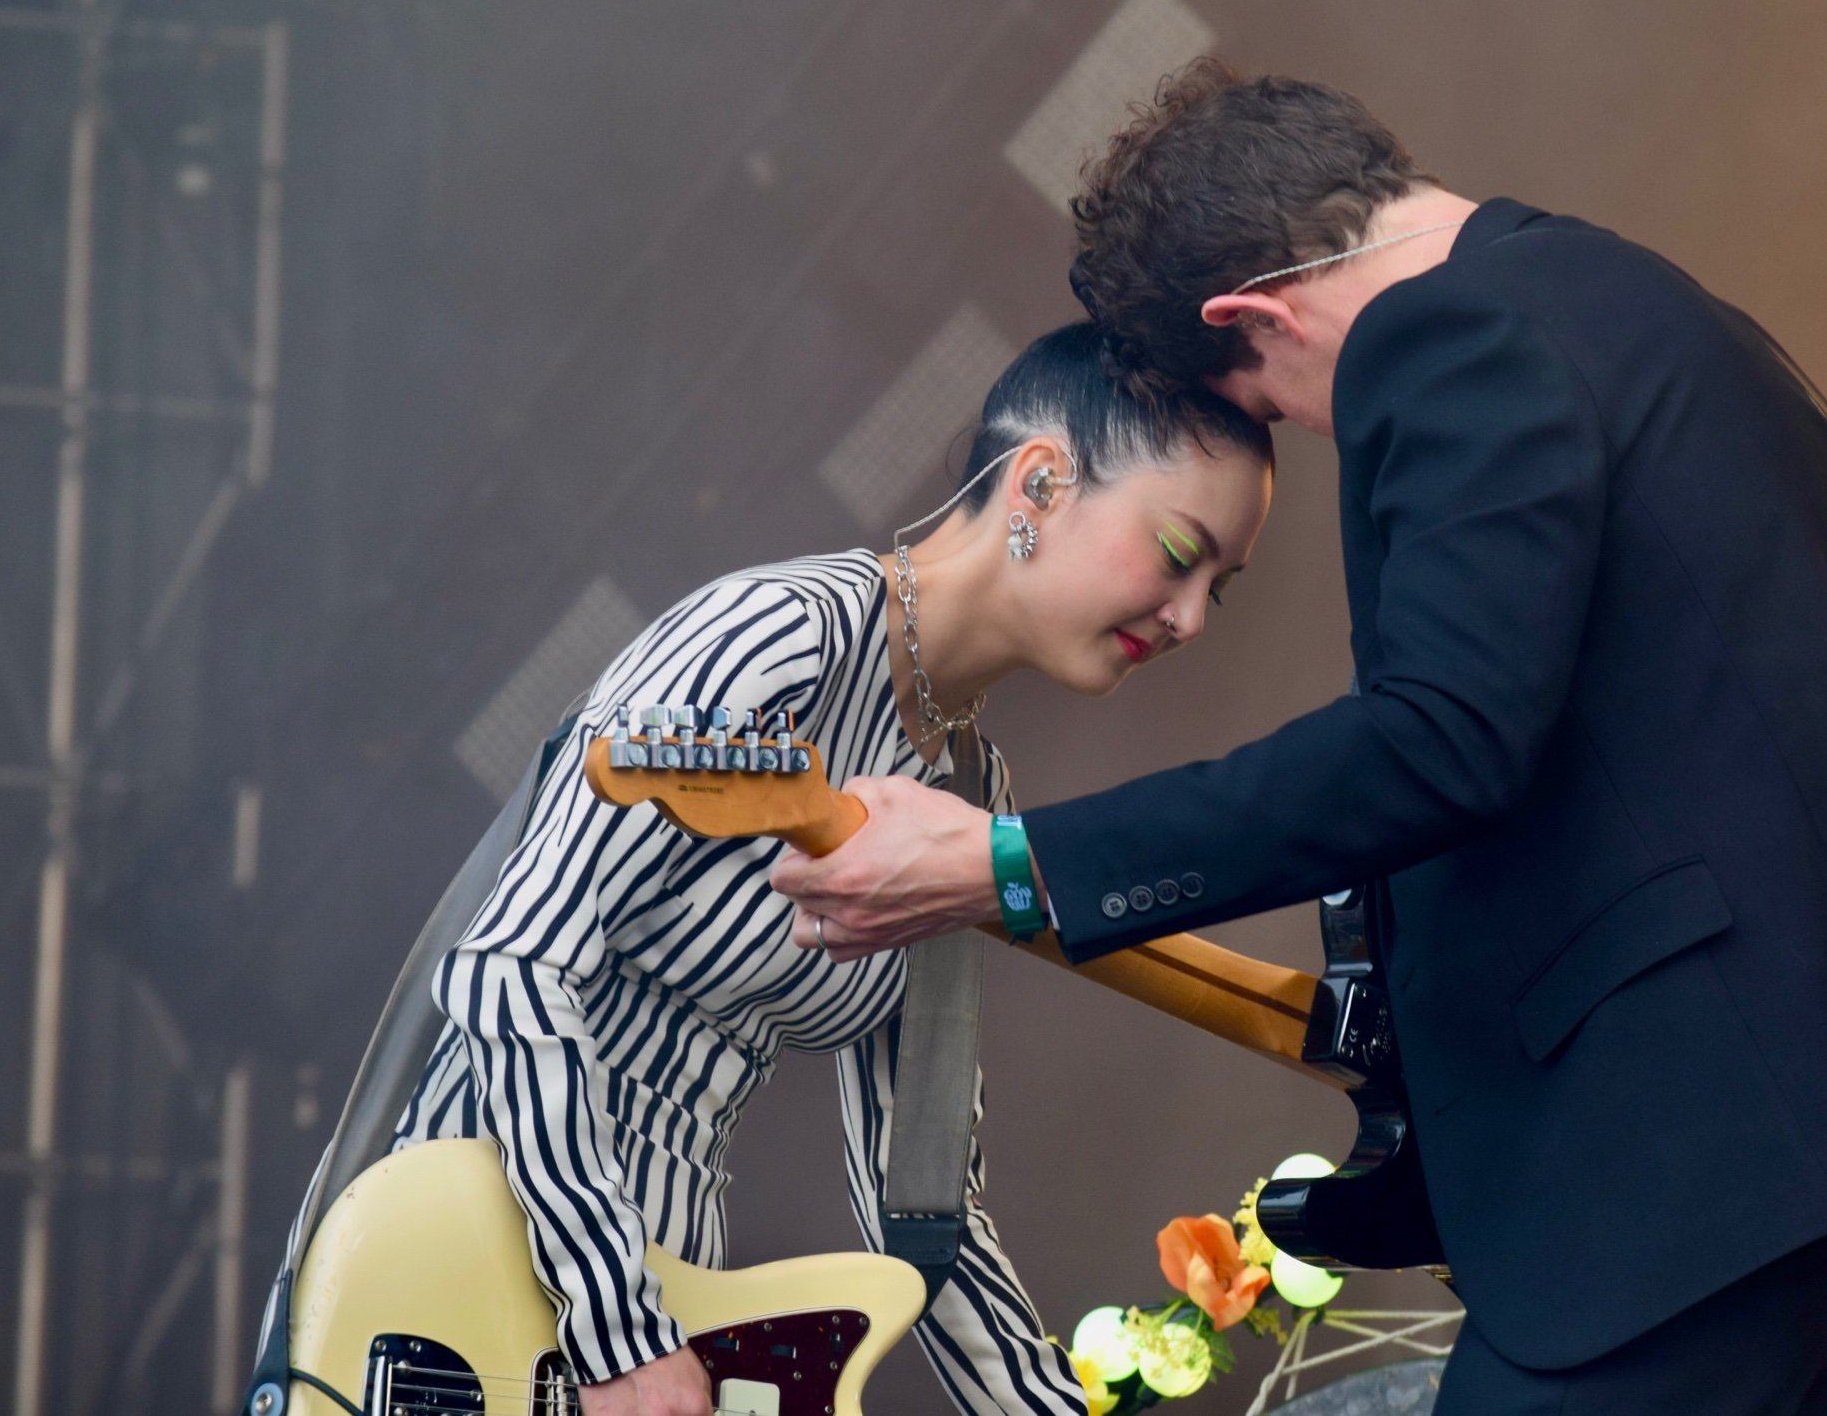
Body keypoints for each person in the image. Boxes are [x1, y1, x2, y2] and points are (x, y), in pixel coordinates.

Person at [772, 60, 1827, 1416]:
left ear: (1254, 314)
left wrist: (1015, 860)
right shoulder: (1661, 312)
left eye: (1272, 404)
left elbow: (1443, 738)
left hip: (1706, 1157)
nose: (1307, 429)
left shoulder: (1447, 338)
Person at [382, 321, 1271, 1416]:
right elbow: (506, 965)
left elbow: (924, 1202)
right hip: (468, 1296)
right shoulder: (774, 636)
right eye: (1181, 554)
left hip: (666, 1306)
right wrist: (615, 1330)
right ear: (1039, 482)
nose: (1188, 618)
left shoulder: (964, 798)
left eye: (1217, 589)